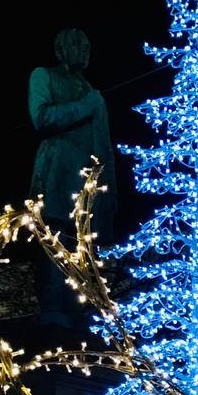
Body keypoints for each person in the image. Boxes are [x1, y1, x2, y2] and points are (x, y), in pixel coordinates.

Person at [29, 28, 117, 330]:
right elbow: (41, 117)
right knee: (55, 238)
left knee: (84, 245)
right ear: (61, 50)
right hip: (57, 170)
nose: (85, 49)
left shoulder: (89, 89)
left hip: (88, 181)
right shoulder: (44, 75)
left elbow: (103, 144)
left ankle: (80, 307)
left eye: (87, 45)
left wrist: (110, 191)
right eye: (78, 44)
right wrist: (85, 107)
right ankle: (53, 308)